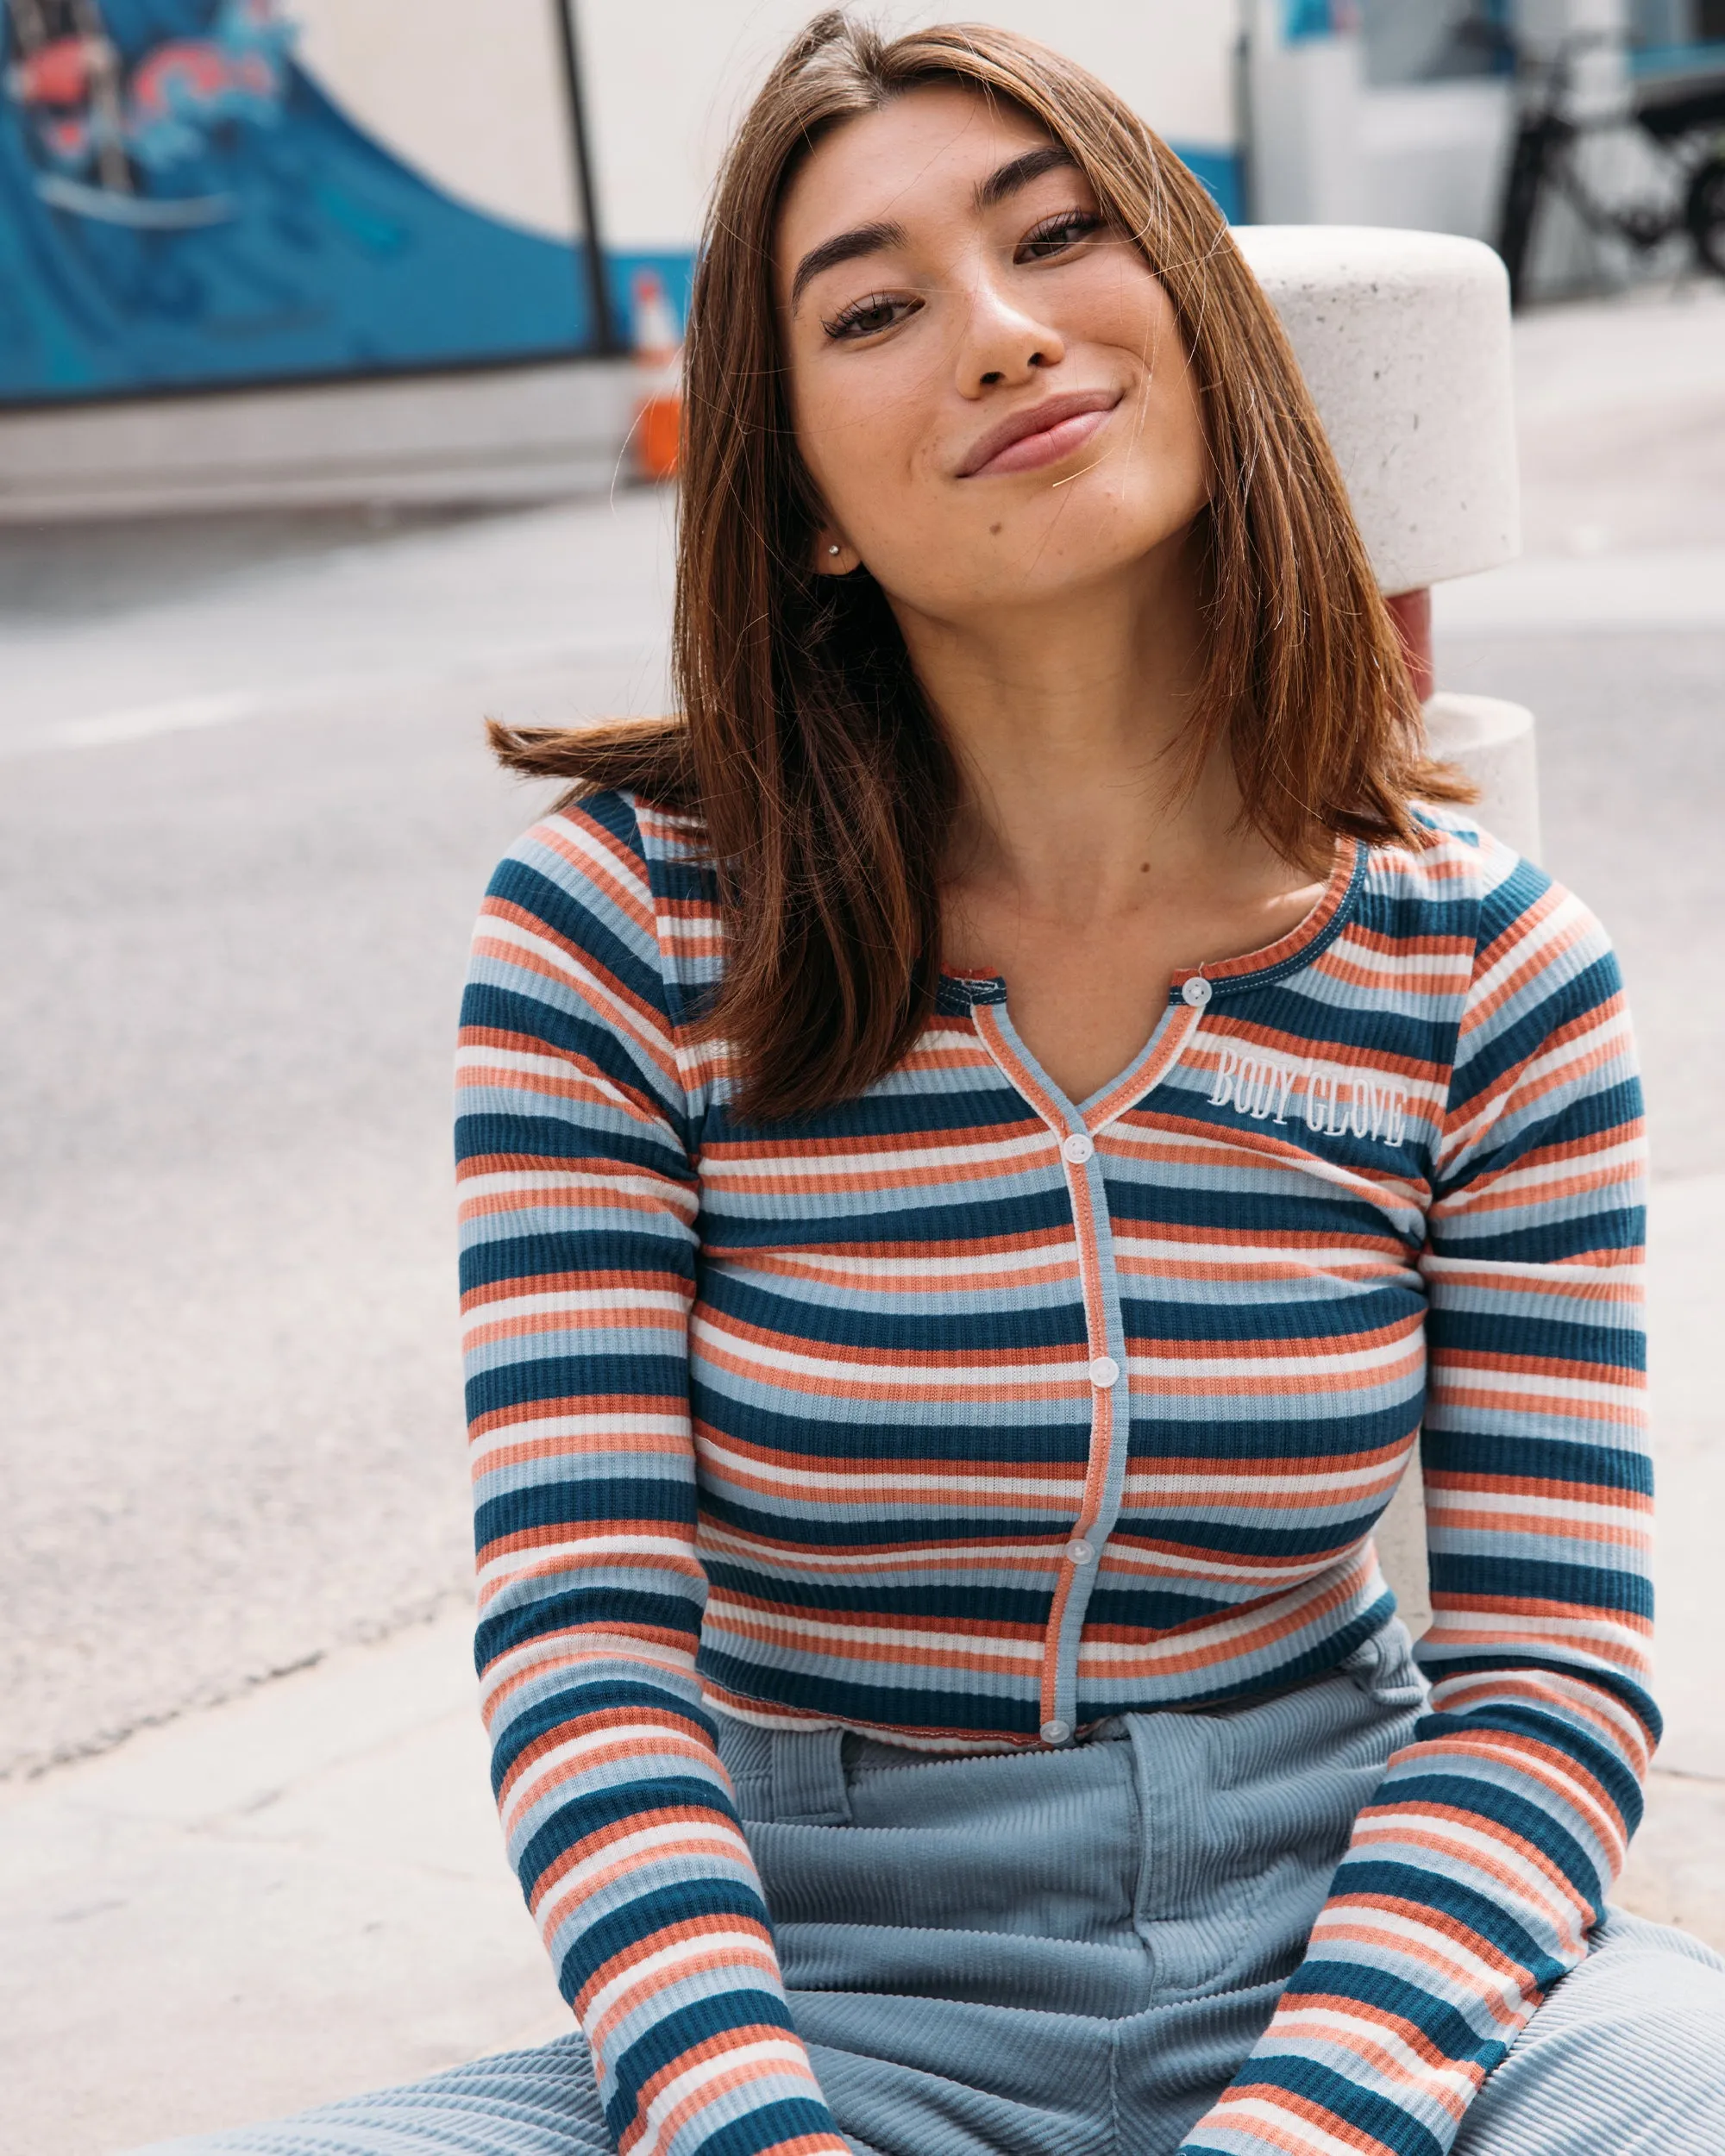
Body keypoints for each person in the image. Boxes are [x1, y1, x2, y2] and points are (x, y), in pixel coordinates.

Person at [144, 12, 1725, 2156]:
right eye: (873, 311)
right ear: (799, 500)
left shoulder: (1485, 970)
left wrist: (1308, 2122)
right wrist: (749, 2120)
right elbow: (587, 1644)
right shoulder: (620, 933)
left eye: (1057, 236)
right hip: (828, 1969)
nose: (998, 334)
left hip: (1356, 1940)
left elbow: (1544, 1680)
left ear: (1200, 325)